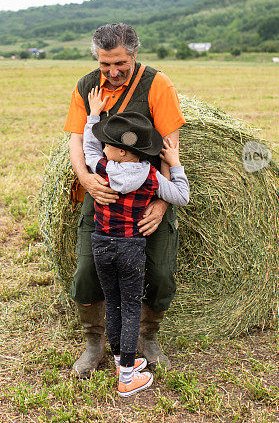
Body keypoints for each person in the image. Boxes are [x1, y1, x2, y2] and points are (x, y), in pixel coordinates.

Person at [63, 23, 186, 376]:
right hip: (102, 191)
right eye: (105, 65)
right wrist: (86, 179)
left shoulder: (157, 84)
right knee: (88, 270)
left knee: (160, 271)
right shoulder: (86, 86)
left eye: (120, 64)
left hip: (149, 190)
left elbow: (170, 146)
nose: (113, 72)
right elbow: (78, 140)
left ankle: (149, 337)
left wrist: (162, 204)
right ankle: (94, 342)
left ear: (134, 55)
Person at [83, 87, 190, 396]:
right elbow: (181, 196)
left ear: (122, 152)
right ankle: (128, 378)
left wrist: (93, 115)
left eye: (111, 144)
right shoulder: (152, 177)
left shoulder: (102, 168)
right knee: (131, 307)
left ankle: (120, 361)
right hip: (131, 248)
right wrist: (175, 161)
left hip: (101, 244)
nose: (105, 146)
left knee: (113, 304)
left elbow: (90, 147)